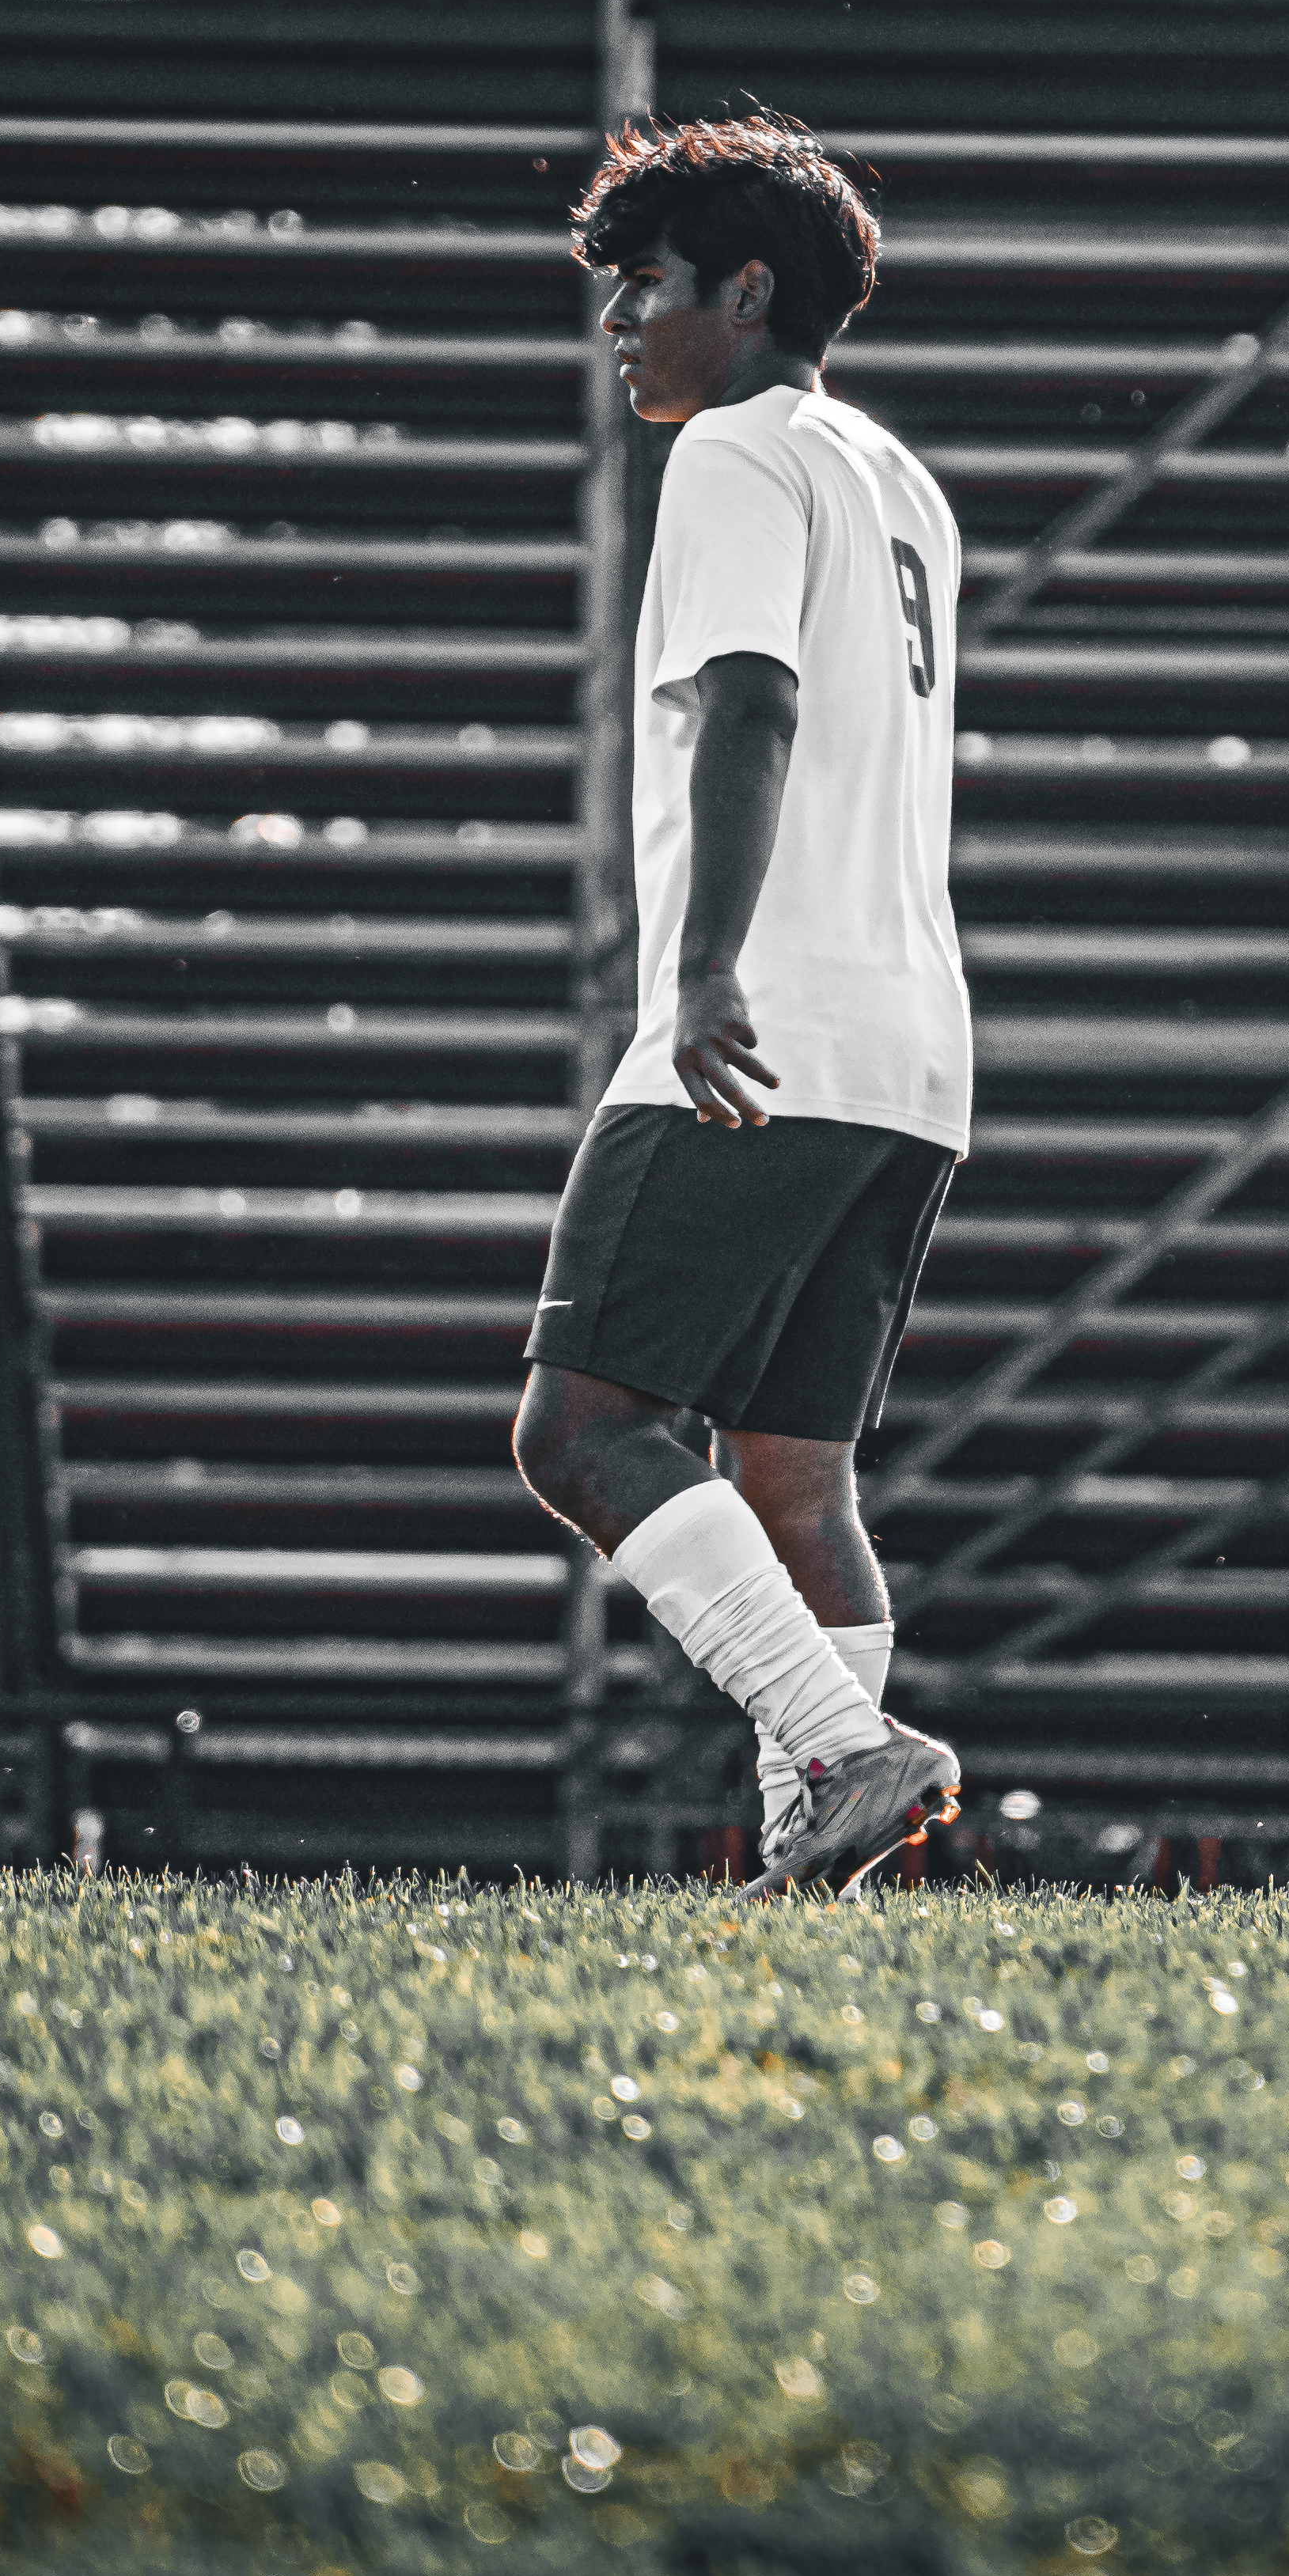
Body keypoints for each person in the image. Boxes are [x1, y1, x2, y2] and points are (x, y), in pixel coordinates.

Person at [511, 113, 971, 1901]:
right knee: (798, 1474)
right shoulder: (895, 472)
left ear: (749, 291)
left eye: (647, 289)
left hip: (767, 1023)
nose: (622, 325)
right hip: (914, 1053)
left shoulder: (734, 455)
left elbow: (752, 707)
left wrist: (703, 968)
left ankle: (852, 1752)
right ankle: (818, 1869)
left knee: (578, 1426)